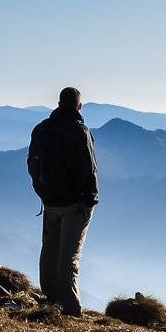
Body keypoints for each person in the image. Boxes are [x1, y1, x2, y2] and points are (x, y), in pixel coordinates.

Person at [27, 87, 99, 315]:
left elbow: (31, 163)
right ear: (79, 106)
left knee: (49, 251)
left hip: (50, 202)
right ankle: (70, 310)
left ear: (58, 103)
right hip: (75, 205)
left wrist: (42, 191)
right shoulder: (80, 132)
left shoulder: (42, 129)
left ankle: (51, 301)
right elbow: (89, 169)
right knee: (69, 257)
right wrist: (90, 199)